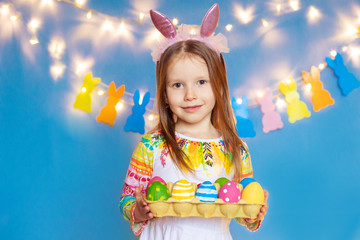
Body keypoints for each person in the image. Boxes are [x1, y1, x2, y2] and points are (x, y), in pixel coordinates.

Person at [119, 4, 269, 240]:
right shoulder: (151, 145)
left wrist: (252, 213)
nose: (190, 95)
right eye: (177, 85)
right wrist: (137, 210)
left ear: (219, 87)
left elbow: (239, 206)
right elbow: (127, 198)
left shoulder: (236, 148)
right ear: (165, 94)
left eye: (201, 82)